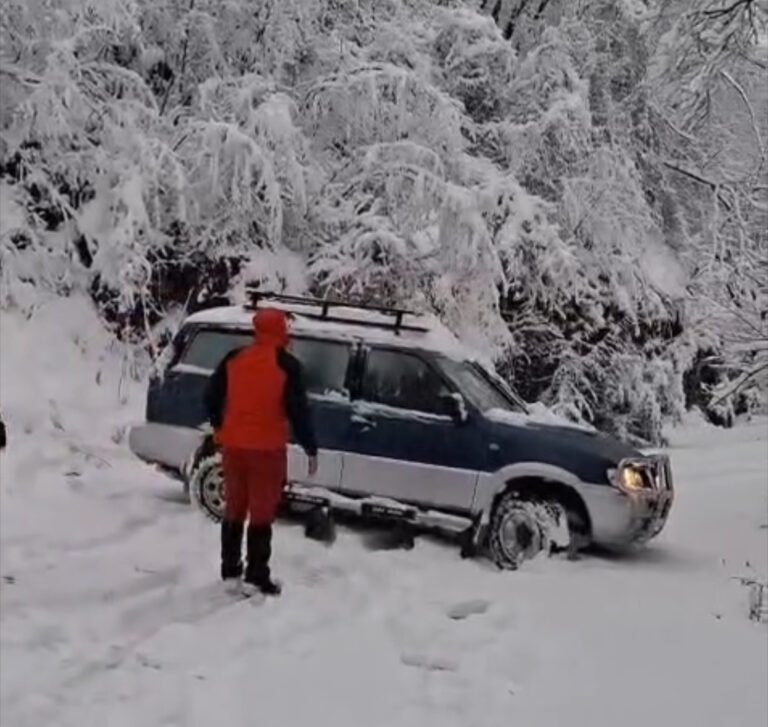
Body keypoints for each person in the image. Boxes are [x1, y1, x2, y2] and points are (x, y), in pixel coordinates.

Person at [204, 308, 318, 596]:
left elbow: (211, 395)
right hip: (266, 450)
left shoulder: (234, 358)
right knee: (261, 512)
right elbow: (298, 411)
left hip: (233, 447)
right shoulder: (288, 365)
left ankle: (230, 570)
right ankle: (257, 575)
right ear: (282, 331)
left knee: (234, 508)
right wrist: (310, 446)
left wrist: (219, 427)